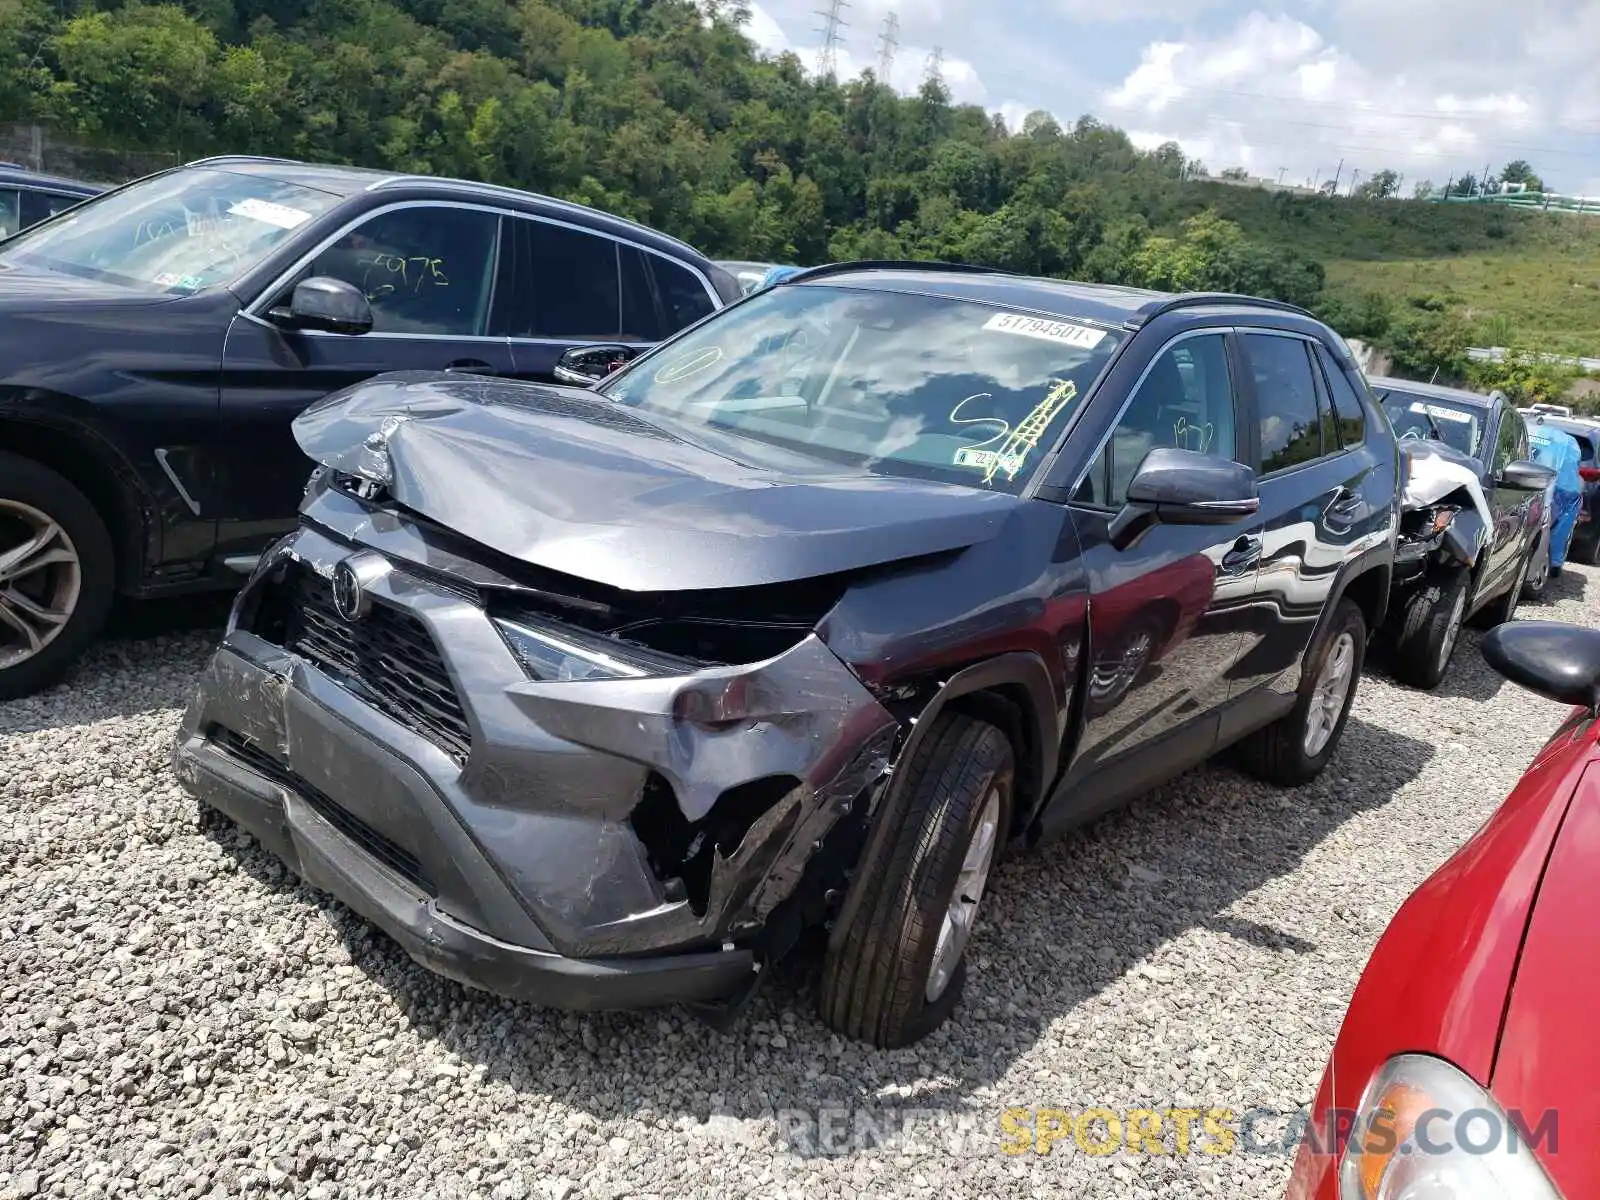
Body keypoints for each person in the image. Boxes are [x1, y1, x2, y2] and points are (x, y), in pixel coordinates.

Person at [1527, 415, 1584, 572]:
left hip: (1540, 489)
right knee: (1558, 531)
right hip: (1559, 492)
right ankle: (1553, 564)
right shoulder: (1567, 448)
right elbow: (1560, 534)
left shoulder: (1531, 445)